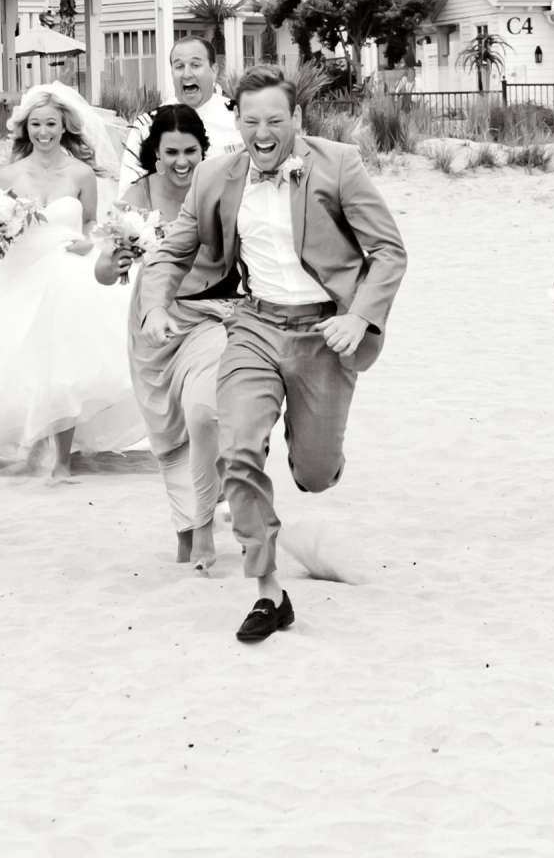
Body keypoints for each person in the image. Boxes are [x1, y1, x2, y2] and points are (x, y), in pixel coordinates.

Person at [140, 63, 407, 644]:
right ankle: (268, 590)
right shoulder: (216, 176)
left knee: (315, 474)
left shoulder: (339, 165)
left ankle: (312, 456)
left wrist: (358, 317)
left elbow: (387, 251)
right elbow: (173, 251)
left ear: (297, 119)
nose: (263, 132)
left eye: (275, 120)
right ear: (236, 119)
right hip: (255, 326)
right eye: (251, 118)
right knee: (236, 448)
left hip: (324, 333)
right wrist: (156, 303)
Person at [0, 81, 142, 479]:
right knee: (22, 362)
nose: (43, 132)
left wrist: (87, 240)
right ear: (25, 128)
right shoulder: (7, 175)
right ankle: (33, 444)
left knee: (65, 360)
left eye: (52, 124)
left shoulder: (81, 174)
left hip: (66, 271)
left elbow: (94, 220)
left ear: (65, 127)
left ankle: (61, 461)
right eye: (36, 125)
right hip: (16, 272)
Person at [96, 103, 234, 569]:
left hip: (209, 316)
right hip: (153, 329)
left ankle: (207, 521)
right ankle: (191, 531)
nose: (181, 161)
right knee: (169, 436)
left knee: (203, 411)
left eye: (190, 151)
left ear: (203, 151)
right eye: (170, 151)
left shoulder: (219, 188)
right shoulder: (136, 195)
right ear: (154, 154)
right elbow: (102, 268)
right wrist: (113, 265)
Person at [122, 35, 238, 184]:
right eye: (179, 66)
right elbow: (129, 190)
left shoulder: (240, 117)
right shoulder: (147, 126)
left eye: (195, 65)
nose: (187, 74)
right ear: (172, 72)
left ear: (214, 70)